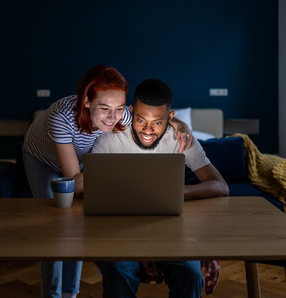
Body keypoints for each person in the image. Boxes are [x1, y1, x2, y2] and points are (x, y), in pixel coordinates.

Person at [22, 66, 193, 298]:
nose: (114, 118)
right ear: (86, 102)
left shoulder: (121, 115)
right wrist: (121, 173)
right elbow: (75, 181)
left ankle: (70, 292)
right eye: (104, 109)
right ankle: (52, 294)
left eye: (120, 108)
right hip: (41, 158)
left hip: (80, 160)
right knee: (54, 226)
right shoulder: (61, 118)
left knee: (76, 222)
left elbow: (153, 118)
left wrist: (181, 125)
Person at [92, 79, 230, 298]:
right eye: (140, 120)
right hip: (121, 233)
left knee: (191, 274)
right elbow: (88, 187)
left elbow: (220, 186)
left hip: (173, 234)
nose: (148, 130)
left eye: (157, 122)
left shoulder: (181, 139)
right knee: (118, 271)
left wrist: (175, 191)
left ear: (171, 118)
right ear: (130, 111)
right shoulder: (109, 140)